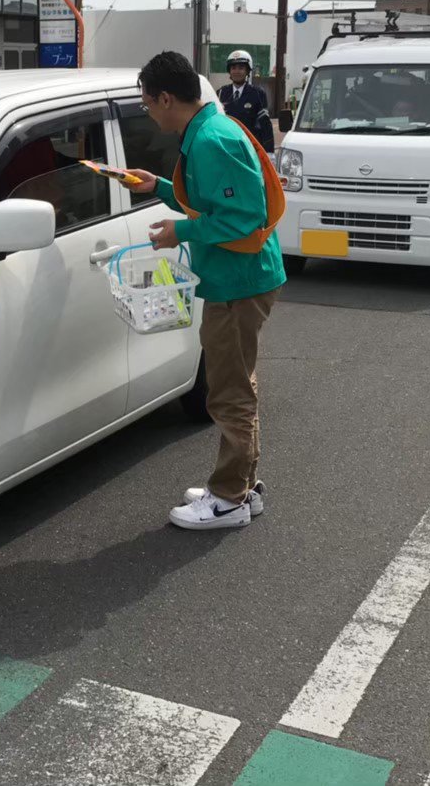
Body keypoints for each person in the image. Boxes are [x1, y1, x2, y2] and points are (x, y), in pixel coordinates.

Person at [122, 52, 286, 530]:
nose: (148, 112)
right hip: (238, 278)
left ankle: (228, 497)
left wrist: (180, 233)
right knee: (237, 384)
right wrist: (158, 187)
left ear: (167, 98)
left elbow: (243, 217)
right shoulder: (208, 132)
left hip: (240, 282)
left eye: (148, 103)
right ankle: (242, 487)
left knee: (230, 392)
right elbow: (210, 199)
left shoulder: (214, 139)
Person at [217, 49, 276, 153]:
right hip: (226, 148)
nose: (237, 71)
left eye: (241, 68)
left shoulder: (257, 93)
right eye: (233, 68)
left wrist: (269, 152)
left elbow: (265, 125)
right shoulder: (221, 93)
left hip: (249, 149)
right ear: (229, 71)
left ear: (248, 71)